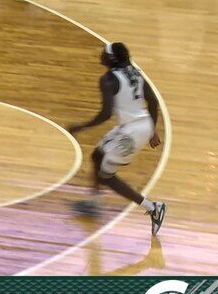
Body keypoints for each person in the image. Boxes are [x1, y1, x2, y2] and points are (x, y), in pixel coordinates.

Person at [66, 42, 167, 236]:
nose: (101, 55)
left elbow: (105, 114)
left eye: (104, 53)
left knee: (107, 176)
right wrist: (152, 128)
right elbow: (152, 101)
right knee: (97, 156)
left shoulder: (108, 80)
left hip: (131, 132)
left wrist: (82, 126)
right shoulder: (135, 73)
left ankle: (153, 207)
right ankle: (94, 203)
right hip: (137, 125)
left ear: (111, 58)